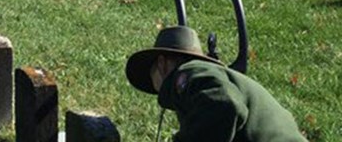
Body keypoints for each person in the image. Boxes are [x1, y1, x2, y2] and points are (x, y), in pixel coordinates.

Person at [125, 25, 308, 141]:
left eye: (151, 74)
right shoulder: (209, 75)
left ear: (162, 63)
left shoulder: (188, 74)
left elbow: (224, 103)